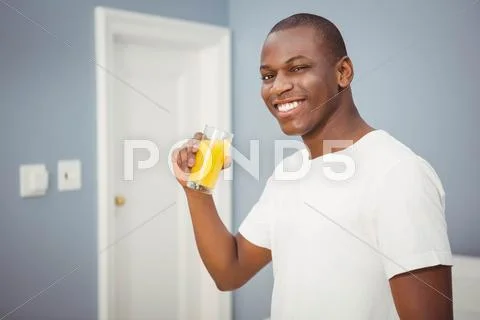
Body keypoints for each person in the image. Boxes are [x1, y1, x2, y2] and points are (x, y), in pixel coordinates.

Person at [172, 13, 453, 320]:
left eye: (298, 68)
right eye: (268, 76)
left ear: (343, 72)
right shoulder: (288, 173)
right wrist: (195, 189)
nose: (278, 87)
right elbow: (230, 271)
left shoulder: (399, 173)